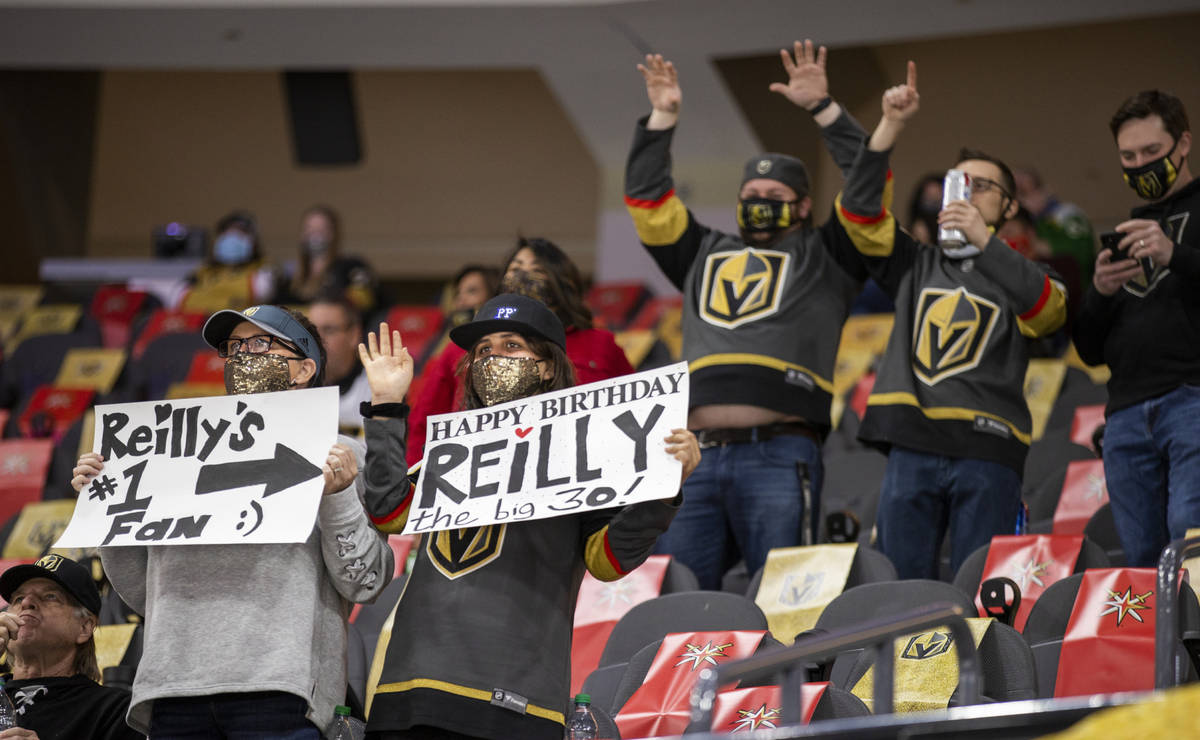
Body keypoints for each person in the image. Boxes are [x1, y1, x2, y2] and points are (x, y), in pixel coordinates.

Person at [356, 294, 700, 739]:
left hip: (517, 697)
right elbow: (389, 514)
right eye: (483, 351)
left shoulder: (585, 454)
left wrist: (663, 488)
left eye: (511, 345)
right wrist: (385, 405)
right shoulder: (448, 452)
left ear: (547, 365)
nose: (493, 357)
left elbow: (607, 560)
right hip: (410, 687)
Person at [72, 304, 394, 738]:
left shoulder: (340, 455)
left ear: (304, 369)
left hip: (282, 688)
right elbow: (142, 591)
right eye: (234, 346)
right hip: (173, 685)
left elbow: (367, 581)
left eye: (260, 343)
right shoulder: (171, 454)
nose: (243, 355)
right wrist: (106, 503)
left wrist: (337, 498)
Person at [624, 41, 870, 589]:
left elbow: (868, 187)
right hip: (693, 458)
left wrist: (825, 110)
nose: (760, 199)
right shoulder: (701, 252)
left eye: (775, 193)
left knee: (787, 603)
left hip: (781, 452)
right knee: (681, 605)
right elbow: (647, 200)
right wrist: (662, 119)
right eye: (750, 192)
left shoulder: (828, 255)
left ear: (805, 205)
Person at [834, 62, 1068, 579]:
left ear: (1009, 207)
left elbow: (1049, 313)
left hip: (989, 448)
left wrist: (985, 244)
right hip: (911, 446)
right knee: (903, 595)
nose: (966, 192)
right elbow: (858, 212)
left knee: (981, 591)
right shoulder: (915, 263)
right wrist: (889, 126)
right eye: (959, 182)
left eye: (983, 187)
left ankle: (981, 666)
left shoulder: (1025, 273)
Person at [1073, 89, 1200, 567]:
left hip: (1192, 396)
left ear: (1182, 143)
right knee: (1141, 559)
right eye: (1129, 156)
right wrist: (1101, 292)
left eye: (1151, 152)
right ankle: (1160, 646)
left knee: (1191, 537)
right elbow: (1088, 349)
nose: (1140, 165)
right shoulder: (1128, 230)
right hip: (1125, 411)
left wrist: (1174, 255)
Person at [404, 239, 633, 467]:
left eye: (537, 270)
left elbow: (633, 411)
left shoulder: (600, 343)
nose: (523, 276)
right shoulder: (463, 346)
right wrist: (418, 483)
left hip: (579, 467)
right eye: (515, 269)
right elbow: (425, 422)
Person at [0, 555, 142, 740]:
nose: (26, 603)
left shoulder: (115, 711)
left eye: (50, 596)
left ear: (84, 627)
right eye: (18, 599)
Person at [285, 205, 380, 312]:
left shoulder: (350, 267)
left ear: (334, 233)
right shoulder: (289, 274)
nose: (315, 234)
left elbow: (366, 305)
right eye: (309, 228)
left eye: (322, 229)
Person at [179, 210, 277, 313]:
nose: (232, 237)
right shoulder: (201, 273)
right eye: (226, 233)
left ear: (253, 241)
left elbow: (263, 294)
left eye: (240, 233)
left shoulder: (263, 272)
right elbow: (180, 298)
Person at [1013, 167, 1096, 285]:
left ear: (1043, 191)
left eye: (1023, 192)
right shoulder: (1017, 222)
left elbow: (1083, 253)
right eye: (1015, 194)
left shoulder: (1066, 214)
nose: (1019, 200)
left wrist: (1046, 247)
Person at [309, 292, 373, 436]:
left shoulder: (377, 387)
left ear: (354, 335)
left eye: (328, 330)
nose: (318, 340)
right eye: (311, 331)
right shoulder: (294, 386)